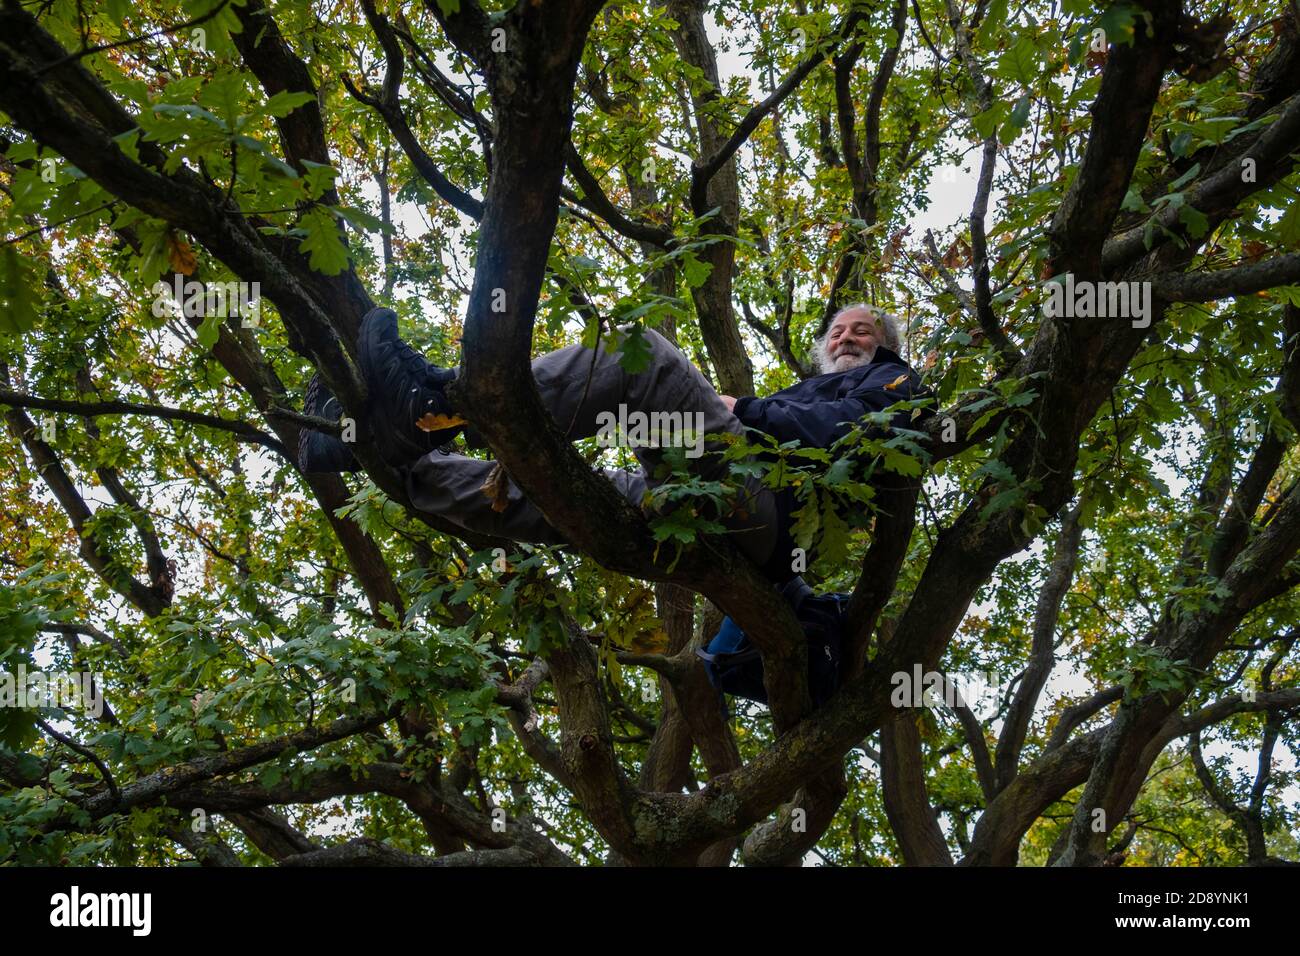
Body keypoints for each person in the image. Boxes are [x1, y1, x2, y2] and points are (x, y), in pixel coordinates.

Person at [299, 303, 924, 583]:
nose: (846, 338)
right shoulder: (807, 388)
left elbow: (853, 432)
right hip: (700, 509)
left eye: (861, 330)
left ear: (884, 344)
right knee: (565, 489)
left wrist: (748, 409)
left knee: (642, 355)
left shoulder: (892, 381)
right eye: (837, 331)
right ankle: (387, 455)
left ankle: (444, 407)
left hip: (762, 511)